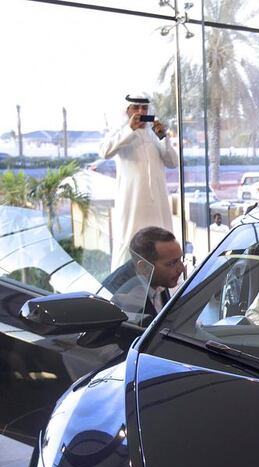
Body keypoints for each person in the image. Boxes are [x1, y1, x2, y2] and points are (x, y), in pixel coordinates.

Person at [100, 93, 178, 270]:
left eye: (144, 108)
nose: (141, 112)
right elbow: (104, 152)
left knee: (161, 245)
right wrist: (130, 129)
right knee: (128, 243)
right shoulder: (120, 132)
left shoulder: (154, 135)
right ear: (127, 110)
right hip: (132, 204)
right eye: (136, 107)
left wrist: (163, 137)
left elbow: (173, 162)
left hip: (157, 204)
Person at [101, 226, 185, 317]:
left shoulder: (157, 277)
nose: (182, 269)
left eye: (179, 259)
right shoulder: (122, 301)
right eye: (172, 263)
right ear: (144, 267)